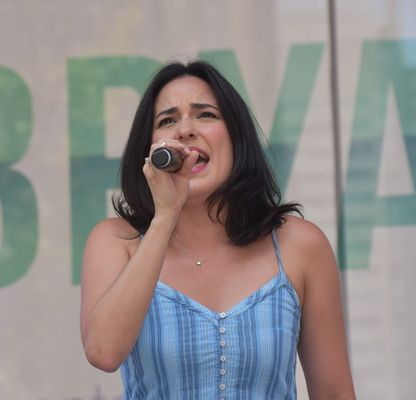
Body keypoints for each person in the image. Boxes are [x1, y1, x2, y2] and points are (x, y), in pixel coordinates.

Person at [80, 59, 356, 399]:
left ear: (237, 137)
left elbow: (335, 393)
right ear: (149, 150)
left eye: (205, 114)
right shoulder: (116, 241)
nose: (184, 131)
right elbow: (104, 352)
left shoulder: (299, 245)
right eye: (167, 121)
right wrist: (165, 216)